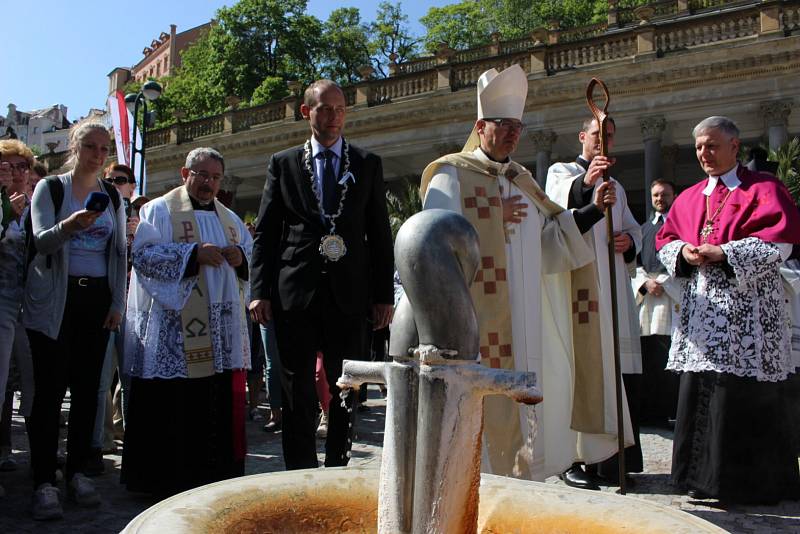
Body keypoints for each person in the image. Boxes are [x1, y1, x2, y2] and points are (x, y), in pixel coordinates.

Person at [420, 65, 628, 482]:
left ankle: (523, 483)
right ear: (480, 126)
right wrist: (494, 217)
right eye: (503, 124)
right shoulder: (450, 175)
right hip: (474, 326)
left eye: (518, 125)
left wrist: (590, 211)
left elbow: (549, 247)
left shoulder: (522, 180)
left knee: (525, 411)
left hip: (525, 324)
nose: (513, 132)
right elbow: (432, 244)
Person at [249, 79, 394, 470]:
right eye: (325, 109)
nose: (334, 117)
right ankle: (299, 473)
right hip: (295, 292)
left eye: (340, 109)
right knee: (296, 389)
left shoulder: (367, 164)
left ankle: (338, 469)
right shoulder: (283, 163)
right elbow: (266, 232)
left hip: (350, 294)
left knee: (346, 385)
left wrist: (384, 295)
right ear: (306, 112)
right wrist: (258, 290)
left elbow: (380, 234)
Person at [656, 116, 800, 504]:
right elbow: (665, 240)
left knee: (742, 395)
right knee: (703, 391)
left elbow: (781, 244)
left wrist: (725, 253)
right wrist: (682, 252)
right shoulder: (688, 197)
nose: (705, 153)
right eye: (700, 146)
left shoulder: (765, 189)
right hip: (702, 315)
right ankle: (698, 480)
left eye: (713, 145)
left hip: (749, 311)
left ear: (735, 147)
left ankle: (747, 484)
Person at [122, 147, 252, 497]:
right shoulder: (160, 210)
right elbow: (143, 257)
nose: (208, 183)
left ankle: (214, 476)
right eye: (201, 175)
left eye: (214, 177)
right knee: (174, 407)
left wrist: (241, 258)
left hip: (220, 333)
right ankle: (166, 481)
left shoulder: (231, 220)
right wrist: (192, 255)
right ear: (185, 174)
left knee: (214, 406)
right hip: (174, 332)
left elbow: (253, 258)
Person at [24, 121, 127, 519]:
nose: (98, 154)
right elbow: (41, 240)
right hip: (55, 301)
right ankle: (43, 480)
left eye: (105, 148)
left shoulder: (113, 198)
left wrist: (116, 303)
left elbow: (119, 253)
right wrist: (71, 224)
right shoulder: (51, 188)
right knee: (50, 393)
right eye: (90, 146)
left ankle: (79, 471)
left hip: (96, 299)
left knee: (89, 392)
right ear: (74, 146)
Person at [546, 116, 643, 488]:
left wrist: (629, 243)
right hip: (577, 288)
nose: (603, 141)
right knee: (579, 370)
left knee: (610, 371)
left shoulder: (616, 183)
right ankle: (570, 458)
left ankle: (608, 461)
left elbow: (633, 229)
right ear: (582, 135)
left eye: (610, 136)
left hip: (612, 286)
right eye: (596, 134)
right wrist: (585, 185)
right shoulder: (561, 172)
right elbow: (554, 216)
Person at [87, 163, 138, 475]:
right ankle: (100, 438)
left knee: (131, 375)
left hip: (135, 307)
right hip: (107, 303)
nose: (116, 184)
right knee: (102, 378)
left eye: (122, 180)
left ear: (131, 186)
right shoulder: (99, 211)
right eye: (111, 180)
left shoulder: (143, 215)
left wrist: (139, 232)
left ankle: (128, 431)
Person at [0, 140, 36, 498]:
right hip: (2, 302)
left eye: (23, 167)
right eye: (9, 166)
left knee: (34, 386)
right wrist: (5, 215)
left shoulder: (37, 208)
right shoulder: (5, 207)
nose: (18, 173)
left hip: (33, 307)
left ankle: (40, 463)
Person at [632, 179, 680, 427]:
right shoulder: (642, 229)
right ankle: (647, 413)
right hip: (647, 296)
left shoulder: (682, 225)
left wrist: (662, 282)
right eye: (655, 195)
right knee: (648, 356)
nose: (660, 199)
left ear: (674, 195)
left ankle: (667, 412)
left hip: (670, 296)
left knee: (668, 357)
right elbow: (636, 264)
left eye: (664, 194)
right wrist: (646, 283)